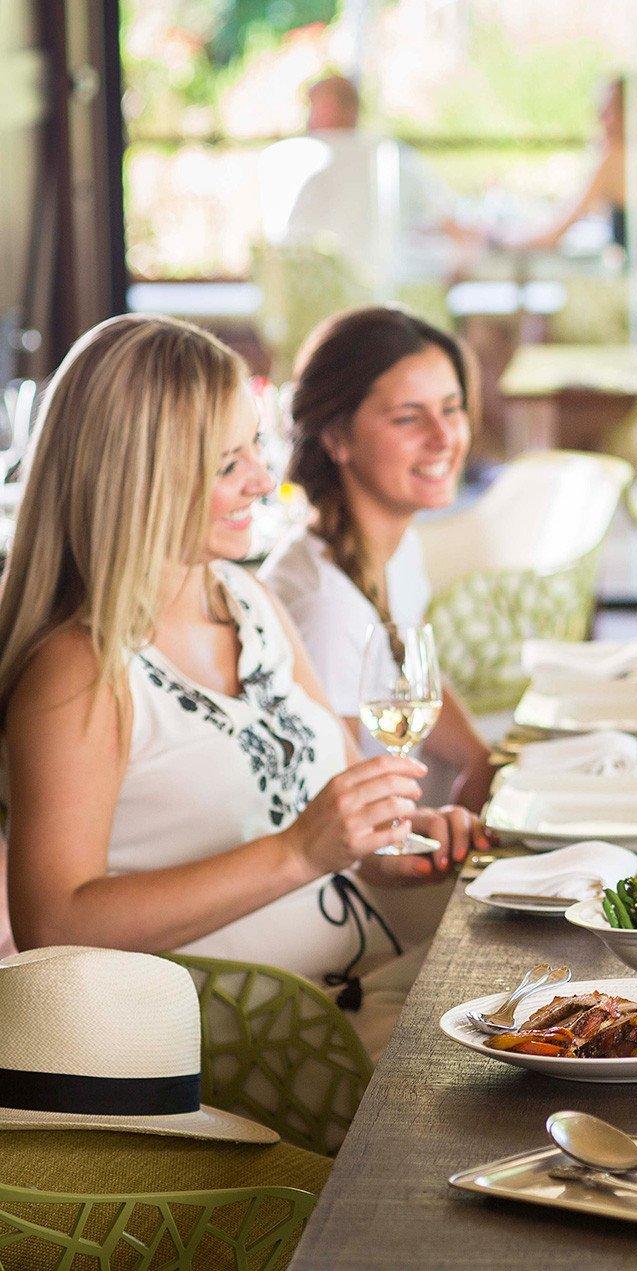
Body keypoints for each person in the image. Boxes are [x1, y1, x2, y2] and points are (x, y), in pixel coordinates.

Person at [0, 314, 482, 1051]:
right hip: (259, 1050)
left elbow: (339, 813)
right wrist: (297, 853)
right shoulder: (82, 666)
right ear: (140, 475)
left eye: (256, 445)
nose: (265, 477)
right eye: (229, 462)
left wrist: (399, 843)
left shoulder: (246, 599)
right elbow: (55, 924)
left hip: (362, 988)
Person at [260, 305, 495, 812]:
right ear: (337, 438)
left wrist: (480, 758)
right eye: (409, 417)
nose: (443, 437)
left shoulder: (394, 549)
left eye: (451, 409)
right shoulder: (325, 607)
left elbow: (410, 679)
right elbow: (339, 820)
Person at [258, 73, 475, 286]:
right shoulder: (388, 157)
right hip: (386, 297)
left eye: (315, 108)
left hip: (341, 301)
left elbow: (453, 228)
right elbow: (456, 230)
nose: (310, 119)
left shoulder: (387, 159)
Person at [524, 77, 637, 260]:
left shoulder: (620, 159)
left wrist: (505, 240)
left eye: (610, 110)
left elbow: (554, 235)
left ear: (634, 113)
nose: (601, 119)